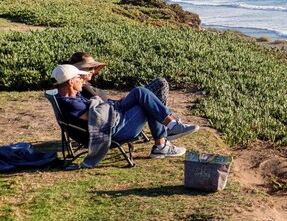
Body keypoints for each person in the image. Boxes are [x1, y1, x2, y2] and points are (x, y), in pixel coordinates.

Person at [52, 64, 197, 165]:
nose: (82, 81)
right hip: (115, 129)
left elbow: (96, 109)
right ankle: (166, 136)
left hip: (114, 115)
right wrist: (104, 103)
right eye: (79, 78)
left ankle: (168, 130)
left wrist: (103, 103)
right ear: (70, 82)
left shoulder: (71, 95)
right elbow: (97, 117)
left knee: (141, 92)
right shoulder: (69, 103)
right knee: (147, 102)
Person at [66, 52, 169, 106]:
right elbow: (102, 105)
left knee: (157, 86)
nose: (93, 71)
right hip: (119, 110)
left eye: (94, 68)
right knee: (160, 83)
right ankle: (165, 124)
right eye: (89, 68)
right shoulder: (83, 87)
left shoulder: (83, 86)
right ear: (78, 69)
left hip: (117, 106)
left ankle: (164, 123)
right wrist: (121, 102)